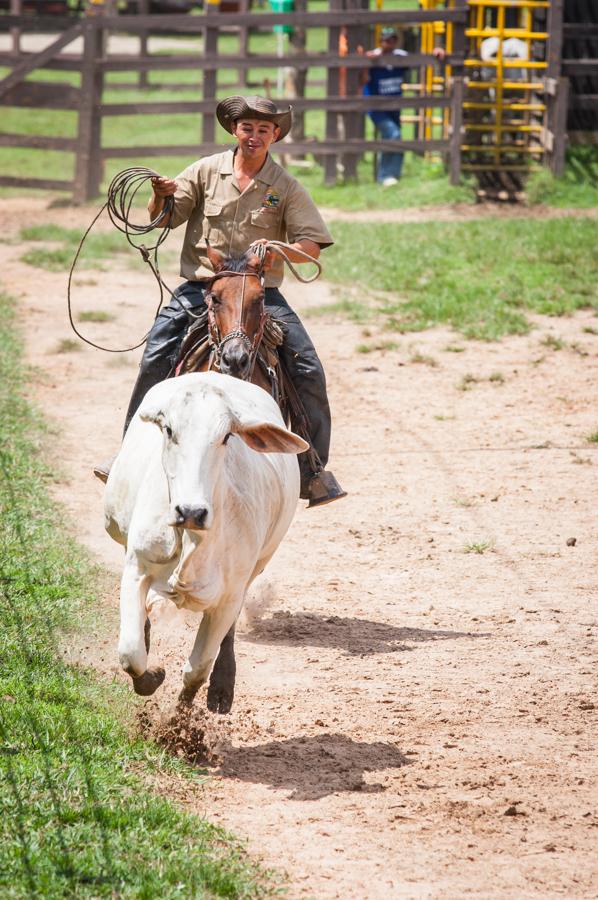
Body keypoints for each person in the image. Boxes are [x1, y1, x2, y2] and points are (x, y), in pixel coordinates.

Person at [96, 95, 345, 508]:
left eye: (264, 129)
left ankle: (312, 469)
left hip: (256, 292)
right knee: (156, 352)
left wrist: (280, 251)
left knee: (307, 368)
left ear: (275, 135)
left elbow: (312, 244)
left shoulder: (284, 187)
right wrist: (161, 195)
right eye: (247, 128)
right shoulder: (205, 171)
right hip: (203, 287)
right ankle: (128, 453)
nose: (254, 135)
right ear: (235, 130)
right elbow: (165, 218)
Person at [360, 27, 444, 187]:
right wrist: (366, 63)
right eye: (385, 40)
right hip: (376, 108)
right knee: (394, 134)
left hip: (394, 107)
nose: (388, 43)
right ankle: (385, 175)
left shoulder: (401, 56)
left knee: (394, 138)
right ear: (380, 41)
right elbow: (363, 78)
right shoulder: (373, 57)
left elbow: (419, 60)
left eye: (391, 40)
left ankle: (393, 175)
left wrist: (434, 53)